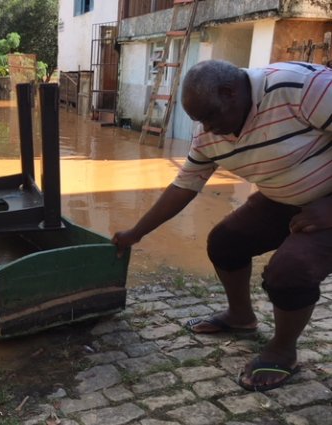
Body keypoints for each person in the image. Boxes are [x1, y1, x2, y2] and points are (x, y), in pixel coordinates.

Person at [112, 60, 332, 392]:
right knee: (225, 242)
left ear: (230, 93)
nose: (207, 129)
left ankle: (283, 350)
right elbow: (183, 187)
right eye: (200, 121)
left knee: (289, 271)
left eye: (210, 117)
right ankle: (241, 317)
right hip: (285, 198)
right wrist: (136, 233)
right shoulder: (209, 136)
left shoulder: (304, 89)